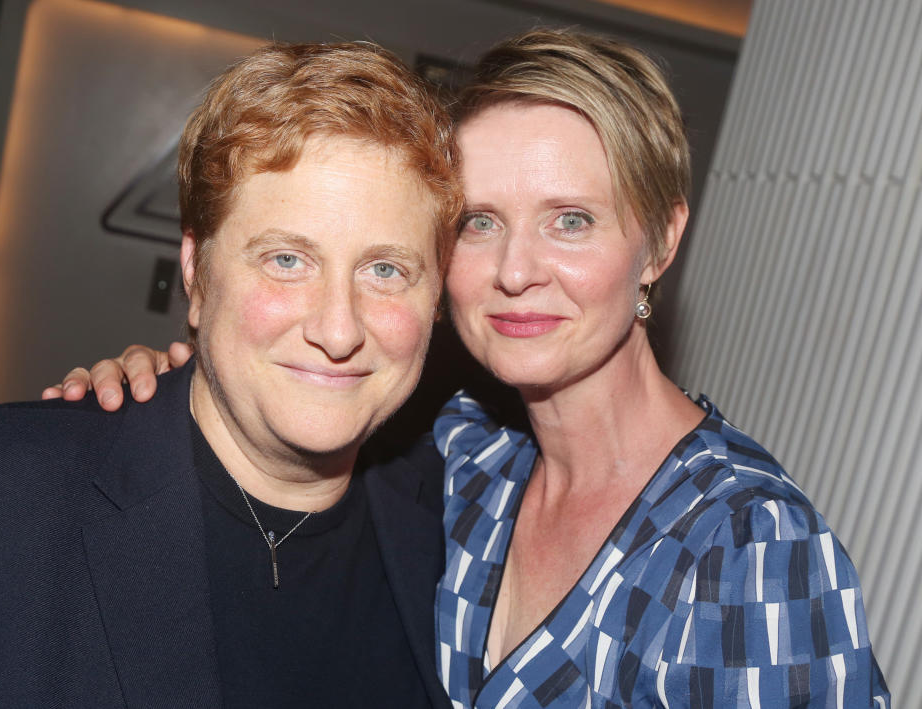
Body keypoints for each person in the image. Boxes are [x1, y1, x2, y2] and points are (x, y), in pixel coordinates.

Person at [47, 30, 889, 707]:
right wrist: (171, 384)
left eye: (570, 219)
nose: (516, 270)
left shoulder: (746, 546)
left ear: (661, 240)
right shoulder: (460, 457)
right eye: (481, 222)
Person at [0, 41, 461, 707]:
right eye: (286, 259)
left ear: (436, 299)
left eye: (385, 270)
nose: (338, 329)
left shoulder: (459, 529)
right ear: (196, 273)